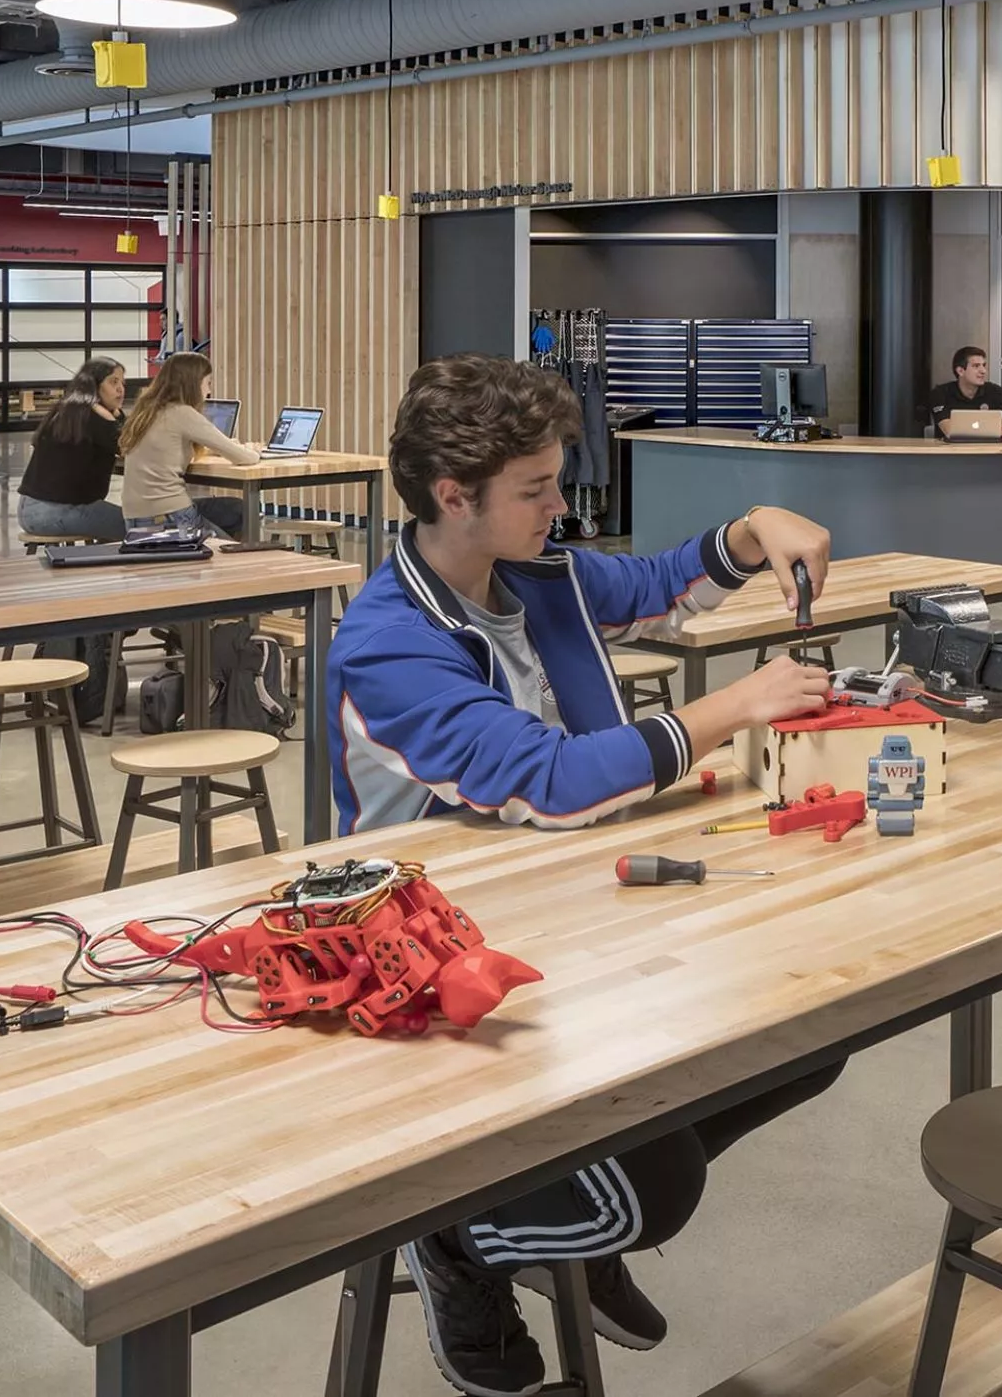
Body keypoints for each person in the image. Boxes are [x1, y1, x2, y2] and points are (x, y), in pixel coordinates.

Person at [330, 353, 841, 1397]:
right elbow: (547, 780)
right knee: (656, 1188)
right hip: (429, 977)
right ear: (451, 494)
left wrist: (752, 528)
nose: (561, 506)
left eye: (560, 481)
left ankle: (565, 1200)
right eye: (537, 489)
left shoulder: (540, 572)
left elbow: (657, 580)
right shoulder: (385, 642)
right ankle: (460, 1241)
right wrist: (728, 709)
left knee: (811, 1024)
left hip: (569, 918)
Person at [117, 351, 256, 538]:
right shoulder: (183, 413)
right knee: (231, 545)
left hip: (134, 516)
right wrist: (252, 450)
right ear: (193, 384)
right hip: (169, 514)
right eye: (208, 383)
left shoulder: (145, 412)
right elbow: (244, 458)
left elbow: (167, 450)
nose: (209, 391)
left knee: (236, 509)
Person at [18, 357, 128, 543]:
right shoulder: (93, 415)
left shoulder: (71, 409)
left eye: (123, 383)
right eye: (113, 382)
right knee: (142, 526)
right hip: (56, 512)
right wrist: (114, 419)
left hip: (31, 510)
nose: (120, 389)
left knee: (128, 522)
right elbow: (130, 447)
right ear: (94, 385)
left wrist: (117, 416)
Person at [927, 345, 1002, 439]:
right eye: (976, 366)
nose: (983, 371)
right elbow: (950, 430)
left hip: (989, 450)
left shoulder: (995, 391)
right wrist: (994, 430)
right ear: (960, 371)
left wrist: (975, 430)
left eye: (984, 365)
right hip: (950, 450)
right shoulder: (940, 393)